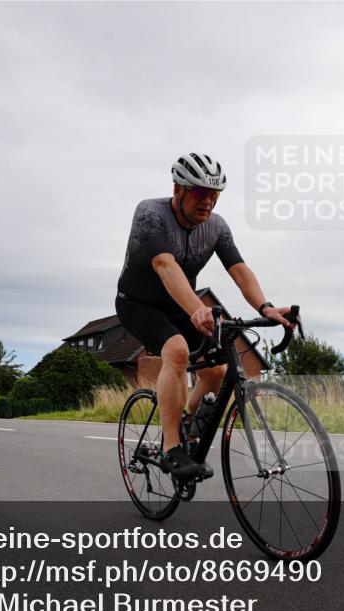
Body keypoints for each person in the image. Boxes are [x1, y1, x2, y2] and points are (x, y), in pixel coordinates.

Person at [116, 153, 294, 478]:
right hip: (138, 304)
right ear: (178, 189)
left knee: (217, 371)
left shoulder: (216, 227)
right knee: (178, 350)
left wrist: (266, 308)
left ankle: (184, 423)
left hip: (180, 305)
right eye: (200, 193)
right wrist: (197, 308)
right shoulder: (150, 213)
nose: (208, 201)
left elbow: (239, 270)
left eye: (214, 195)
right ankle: (172, 448)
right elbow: (164, 264)